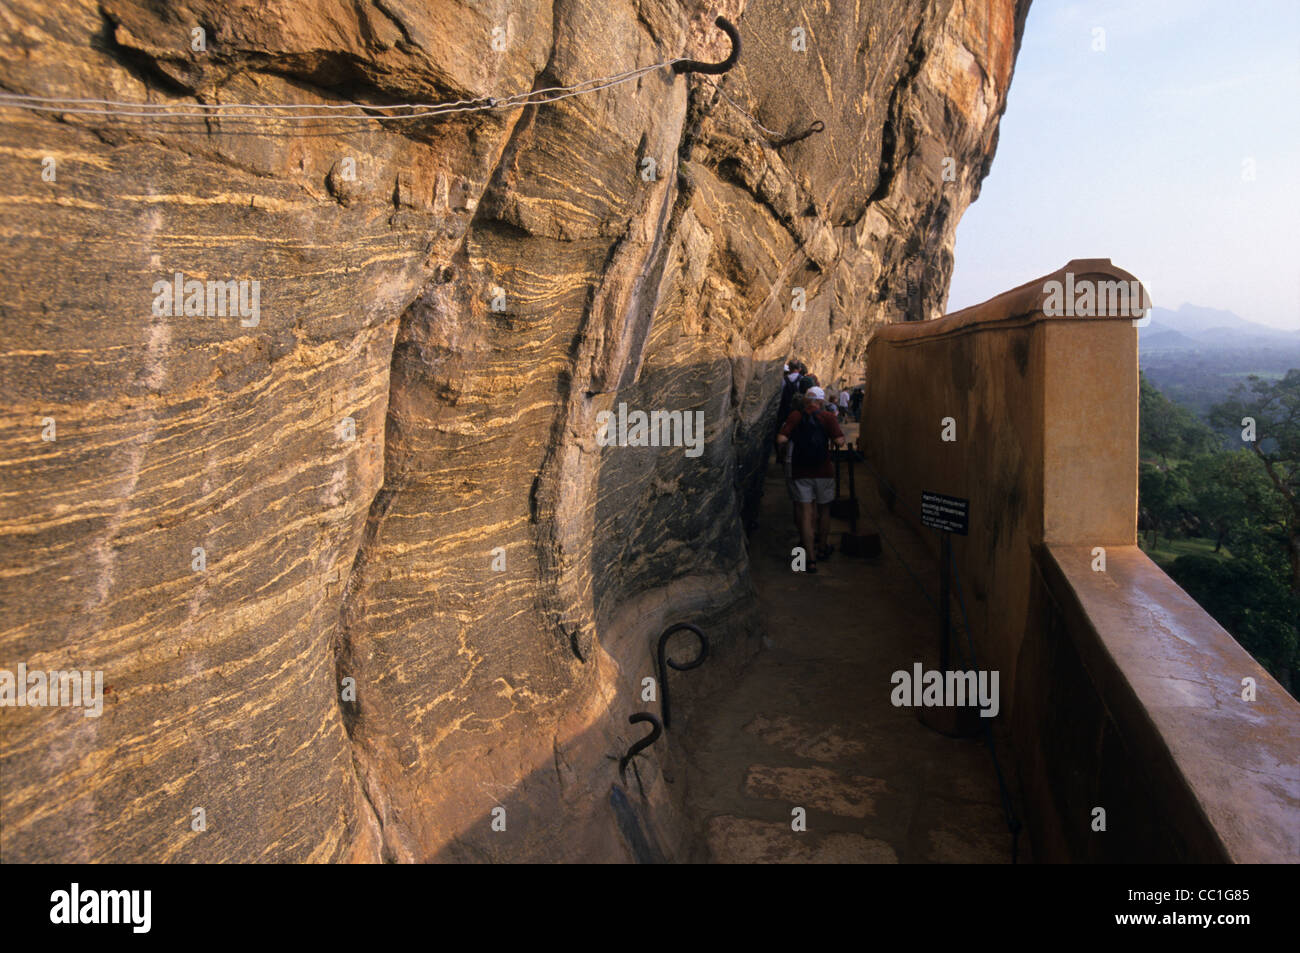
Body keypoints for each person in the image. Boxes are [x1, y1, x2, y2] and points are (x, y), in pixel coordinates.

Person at [777, 386, 845, 573]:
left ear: (806, 400)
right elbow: (840, 441)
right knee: (824, 511)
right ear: (821, 401)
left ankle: (810, 559)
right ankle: (822, 547)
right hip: (824, 471)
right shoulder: (828, 417)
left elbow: (781, 438)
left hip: (801, 471)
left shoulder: (795, 417)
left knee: (806, 513)